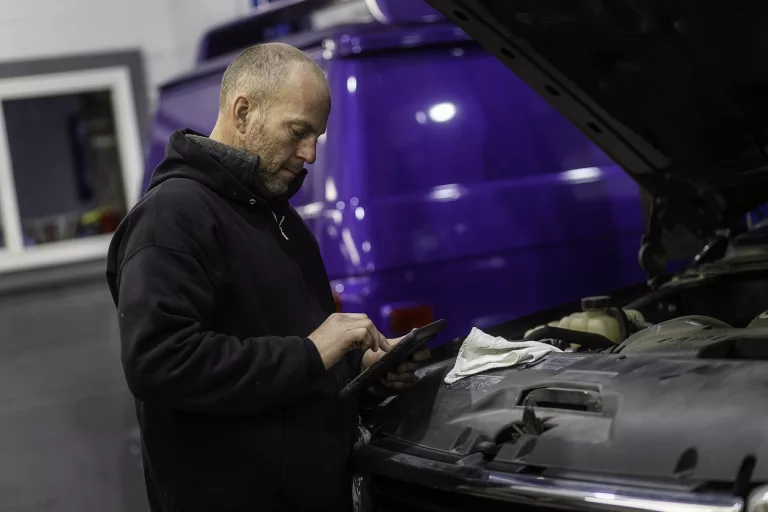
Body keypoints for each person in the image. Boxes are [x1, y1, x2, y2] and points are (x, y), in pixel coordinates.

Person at [106, 42, 429, 512]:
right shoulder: (172, 216)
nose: (310, 154)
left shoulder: (279, 220)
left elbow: (287, 362)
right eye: (298, 131)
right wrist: (313, 351)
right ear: (243, 111)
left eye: (317, 136)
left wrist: (363, 373)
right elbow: (159, 361)